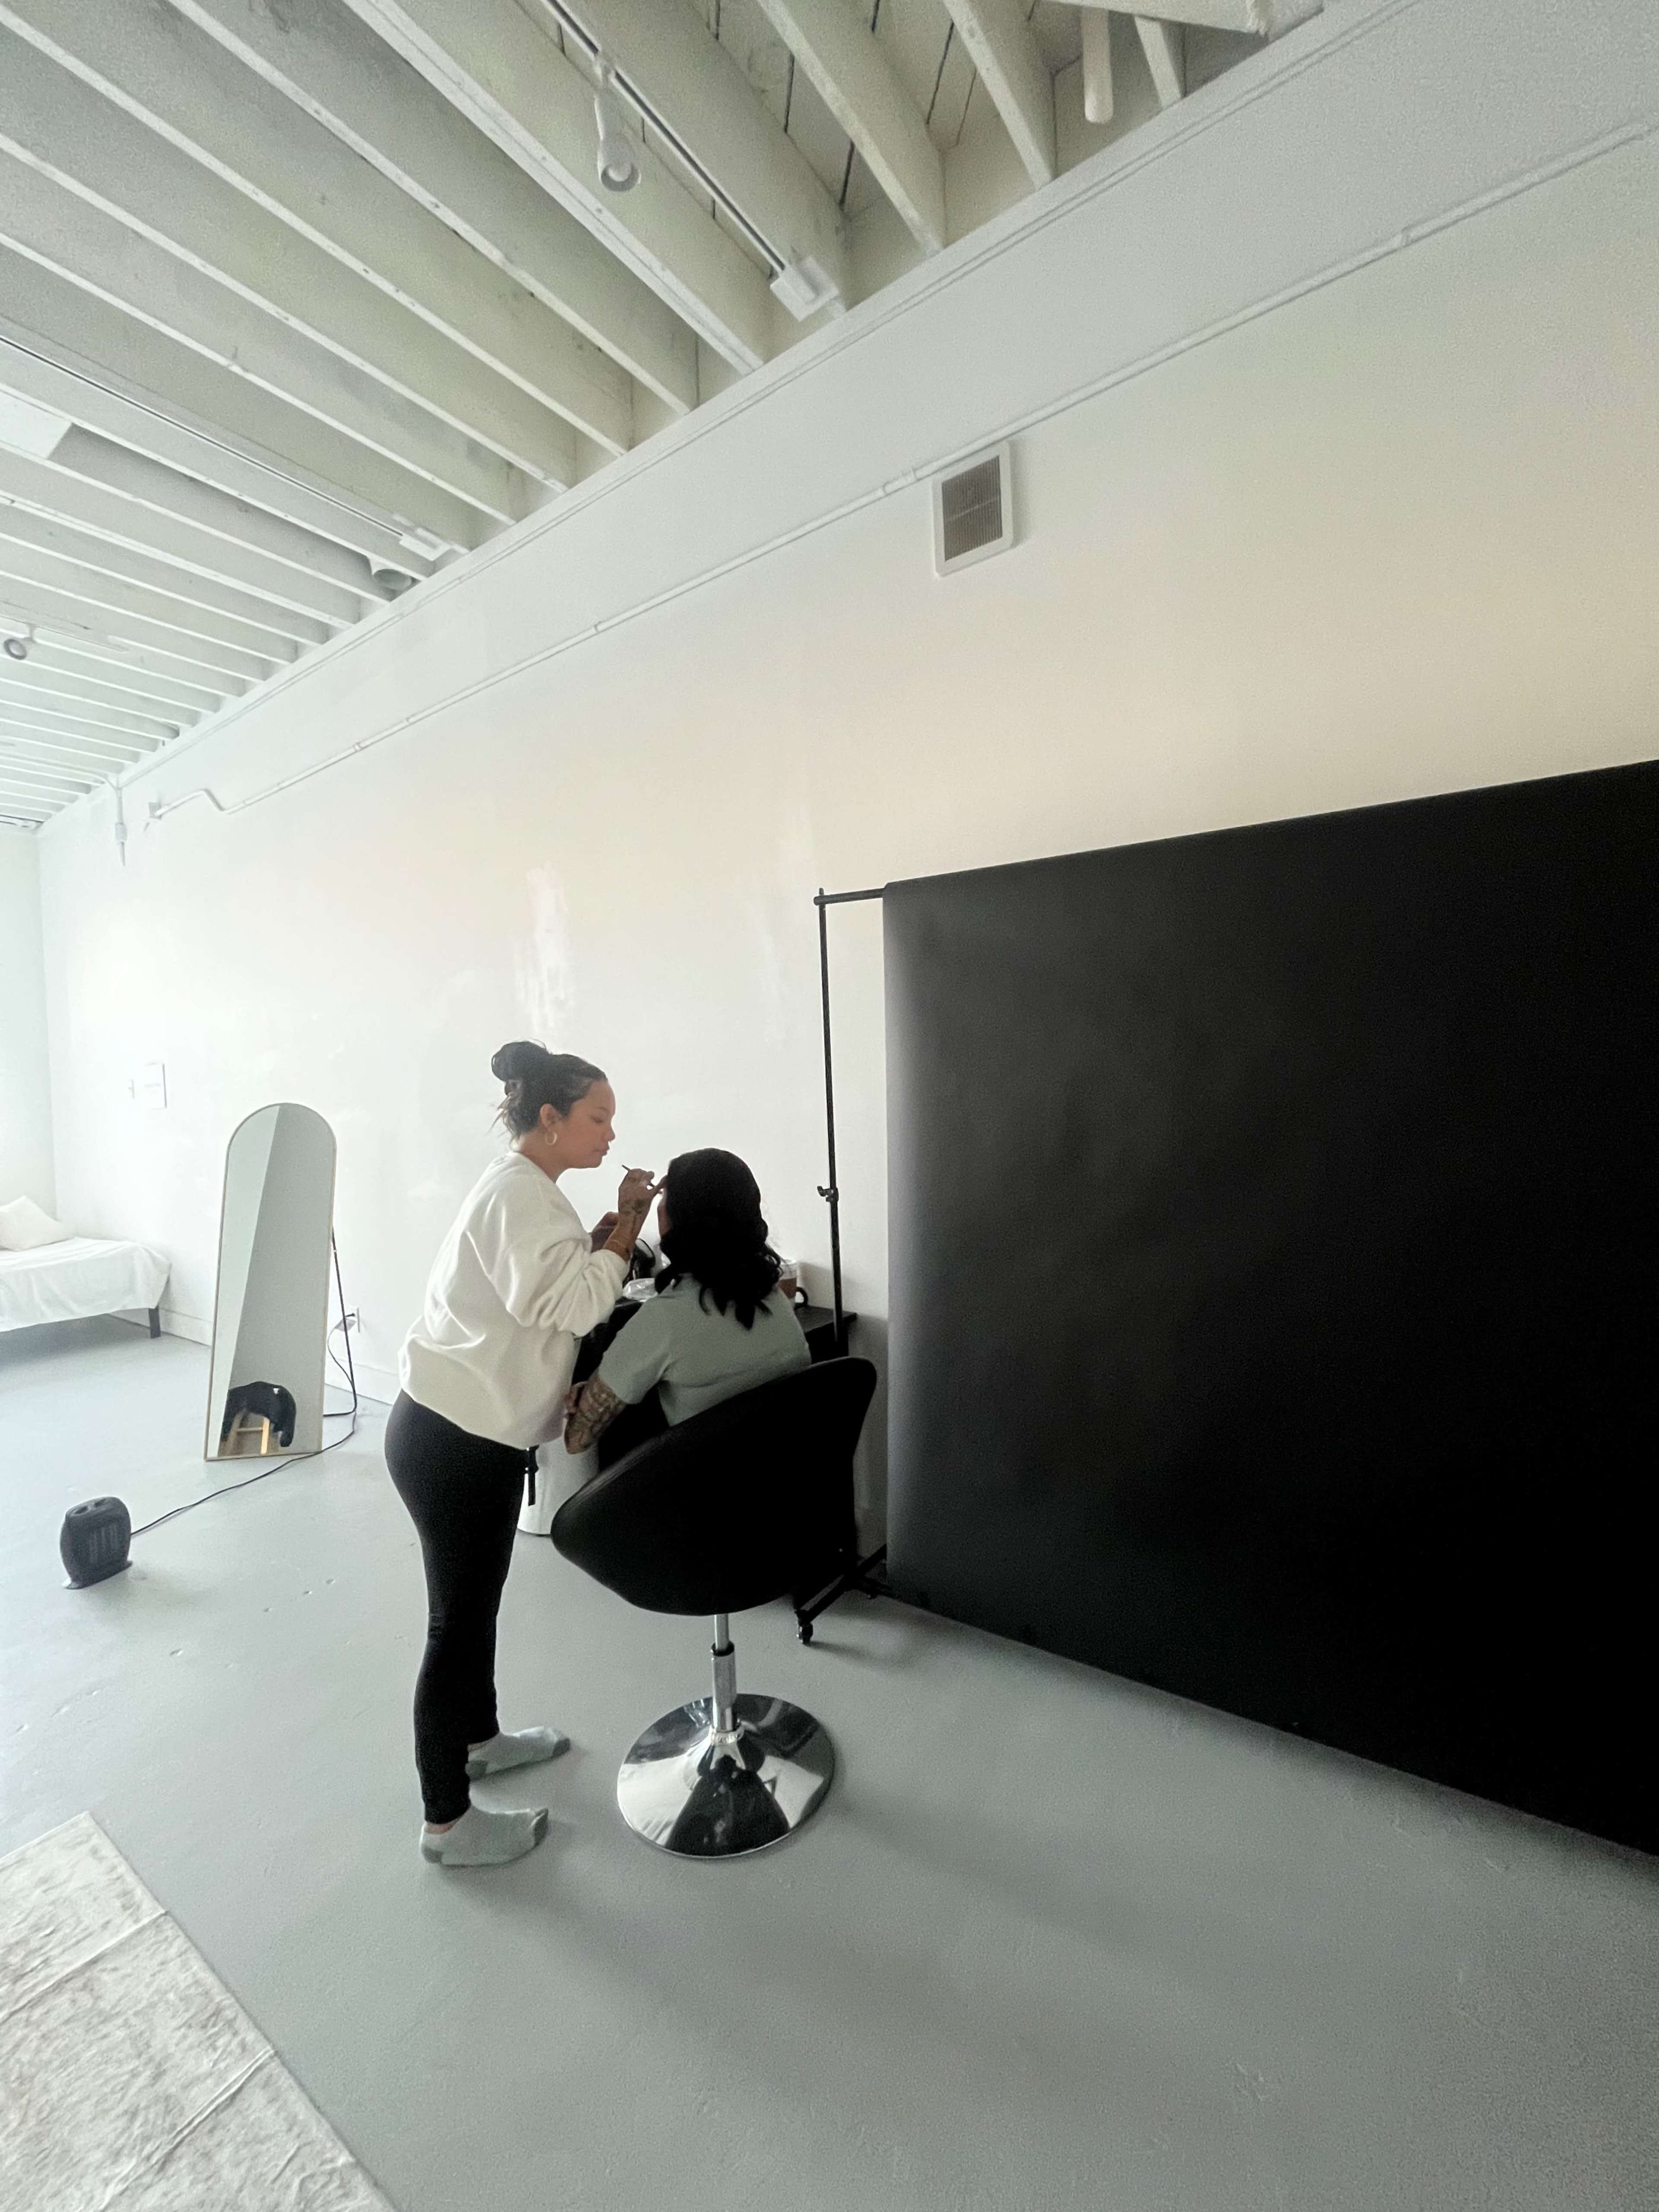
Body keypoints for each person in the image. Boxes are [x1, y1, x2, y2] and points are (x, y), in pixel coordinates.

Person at [385, 1042, 656, 1867]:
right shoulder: (521, 1198)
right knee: (455, 1626)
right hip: (454, 1439)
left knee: (477, 1609)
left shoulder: (531, 1191)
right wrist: (631, 1227)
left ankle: (480, 1739)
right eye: (598, 1118)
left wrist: (605, 1236)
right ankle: (446, 1823)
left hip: (471, 1430)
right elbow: (572, 1306)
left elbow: (540, 1297)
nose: (611, 1134)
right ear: (550, 1119)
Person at [563, 1148, 809, 1460]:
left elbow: (577, 1439)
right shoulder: (775, 1299)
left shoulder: (663, 1320)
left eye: (664, 1196)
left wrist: (593, 1393)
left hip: (697, 1494)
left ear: (680, 1218)